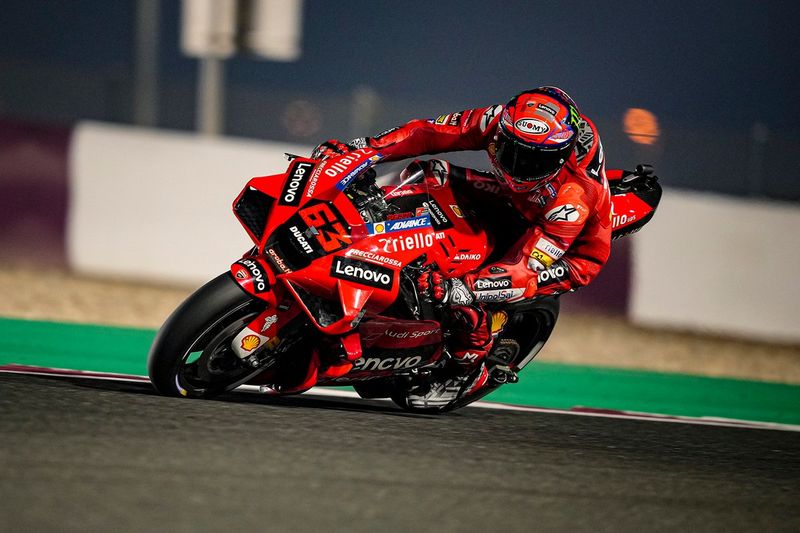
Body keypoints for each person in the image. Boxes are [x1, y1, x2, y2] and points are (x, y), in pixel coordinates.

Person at [311, 86, 612, 408]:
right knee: (429, 174)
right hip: (514, 201)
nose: (519, 166)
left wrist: (462, 287)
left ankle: (466, 369)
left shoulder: (575, 196)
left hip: (566, 252)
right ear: (504, 131)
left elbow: (524, 270)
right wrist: (362, 150)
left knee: (461, 290)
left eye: (535, 160)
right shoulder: (496, 120)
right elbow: (426, 133)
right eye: (512, 151)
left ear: (561, 155)